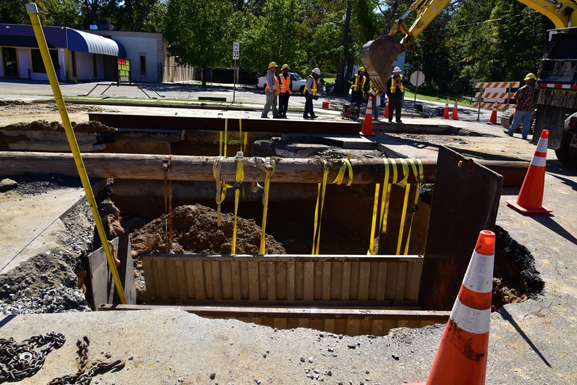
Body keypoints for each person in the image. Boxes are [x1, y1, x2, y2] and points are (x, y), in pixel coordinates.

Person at [508, 73, 537, 139]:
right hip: (531, 109)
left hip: (521, 108)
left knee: (516, 121)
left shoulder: (524, 88)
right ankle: (524, 135)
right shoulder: (536, 89)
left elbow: (516, 96)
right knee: (527, 122)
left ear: (528, 80)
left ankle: (511, 132)